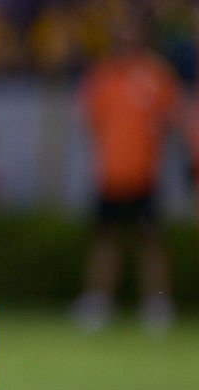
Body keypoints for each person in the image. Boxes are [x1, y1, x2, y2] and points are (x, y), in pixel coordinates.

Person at [73, 16, 182, 333]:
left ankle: (158, 304)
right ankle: (97, 301)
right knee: (105, 240)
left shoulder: (156, 75)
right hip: (109, 175)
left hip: (144, 175)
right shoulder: (102, 76)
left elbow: (170, 121)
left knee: (149, 241)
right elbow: (90, 122)